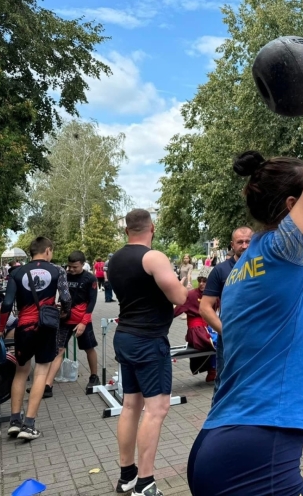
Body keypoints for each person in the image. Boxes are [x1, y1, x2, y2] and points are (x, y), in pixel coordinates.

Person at [187, 15, 303, 496]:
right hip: (256, 456)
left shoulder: (246, 266)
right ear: (290, 207)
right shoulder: (285, 250)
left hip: (222, 444)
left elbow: (257, 359)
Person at [111, 209, 188, 496]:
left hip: (126, 337)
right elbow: (179, 297)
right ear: (152, 228)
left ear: (126, 230)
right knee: (156, 410)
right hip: (147, 340)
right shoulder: (153, 257)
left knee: (131, 405)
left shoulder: (114, 260)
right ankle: (145, 483)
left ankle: (127, 476)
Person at [0, 237, 71, 441]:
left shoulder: (16, 272)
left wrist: (0, 329)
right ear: (47, 251)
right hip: (46, 326)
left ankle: (14, 422)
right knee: (41, 373)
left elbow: (8, 303)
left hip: (24, 327)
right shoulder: (57, 271)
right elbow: (66, 298)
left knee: (21, 372)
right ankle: (29, 424)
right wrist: (64, 313)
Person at [199, 226, 253, 397]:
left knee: (255, 381)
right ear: (232, 244)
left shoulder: (265, 267)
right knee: (224, 383)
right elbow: (205, 308)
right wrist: (226, 332)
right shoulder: (221, 270)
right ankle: (217, 421)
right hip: (230, 339)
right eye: (240, 242)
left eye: (248, 242)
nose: (244, 246)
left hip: (260, 336)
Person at [42, 251, 100, 398]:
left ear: (82, 264)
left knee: (89, 348)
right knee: (58, 350)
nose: (71, 270)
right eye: (69, 267)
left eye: (75, 267)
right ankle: (48, 385)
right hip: (64, 320)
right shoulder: (64, 276)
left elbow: (92, 302)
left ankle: (94, 376)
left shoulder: (90, 278)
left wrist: (83, 322)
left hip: (82, 320)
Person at [174, 276, 216, 382]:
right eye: (199, 281)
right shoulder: (191, 294)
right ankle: (214, 370)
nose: (201, 283)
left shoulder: (214, 293)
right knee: (216, 341)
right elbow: (175, 311)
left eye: (204, 281)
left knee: (225, 339)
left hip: (209, 326)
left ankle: (214, 370)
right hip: (196, 331)